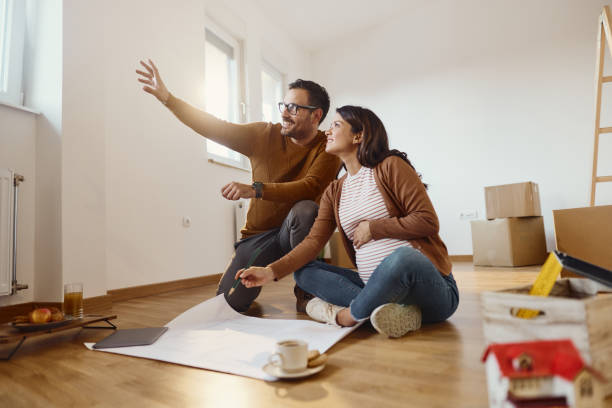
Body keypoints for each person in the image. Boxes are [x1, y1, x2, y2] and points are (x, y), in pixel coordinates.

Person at [136, 59, 341, 313]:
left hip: (295, 232)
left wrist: (255, 189)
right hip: (259, 236)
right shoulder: (263, 135)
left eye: (293, 107)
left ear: (316, 115)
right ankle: (252, 285)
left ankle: (307, 294)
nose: (284, 112)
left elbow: (310, 187)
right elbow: (215, 127)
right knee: (228, 304)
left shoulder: (329, 147)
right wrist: (168, 98)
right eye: (283, 105)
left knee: (306, 210)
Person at [237, 105, 459, 338]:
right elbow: (313, 242)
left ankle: (346, 316)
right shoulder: (335, 190)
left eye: (336, 125)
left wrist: (374, 228)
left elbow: (427, 221)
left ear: (358, 135)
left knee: (404, 257)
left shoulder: (390, 166)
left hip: (429, 289)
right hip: (372, 286)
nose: (327, 132)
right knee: (304, 273)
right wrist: (269, 271)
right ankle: (389, 311)